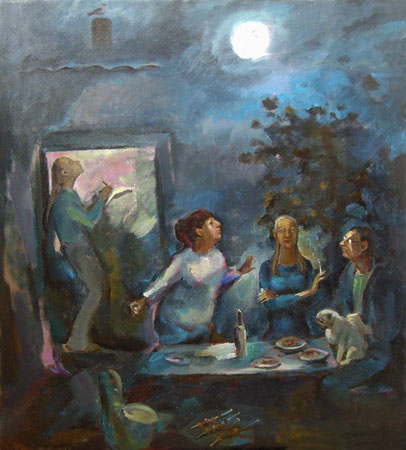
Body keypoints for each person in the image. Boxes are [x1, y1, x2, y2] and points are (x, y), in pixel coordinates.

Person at [130, 209, 254, 345]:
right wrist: (142, 301)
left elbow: (219, 279)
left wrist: (240, 272)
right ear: (199, 231)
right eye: (211, 223)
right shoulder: (183, 260)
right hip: (174, 328)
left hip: (201, 328)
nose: (218, 224)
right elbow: (162, 283)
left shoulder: (218, 257)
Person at [322, 226, 404, 403]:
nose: (342, 244)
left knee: (330, 384)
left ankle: (349, 419)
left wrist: (365, 328)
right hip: (350, 346)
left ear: (364, 246)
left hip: (376, 354)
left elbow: (389, 329)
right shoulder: (349, 273)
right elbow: (338, 306)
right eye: (343, 239)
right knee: (319, 372)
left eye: (348, 241)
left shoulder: (384, 278)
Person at [46, 156, 112, 353]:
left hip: (76, 247)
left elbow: (78, 218)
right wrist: (102, 199)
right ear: (65, 173)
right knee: (95, 292)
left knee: (94, 291)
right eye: (70, 163)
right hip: (78, 248)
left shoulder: (67, 196)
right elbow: (89, 220)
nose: (76, 163)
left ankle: (78, 340)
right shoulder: (65, 198)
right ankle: (77, 342)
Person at [258, 215, 326, 339]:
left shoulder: (306, 266)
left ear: (297, 233)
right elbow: (270, 304)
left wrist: (278, 296)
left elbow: (311, 302)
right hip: (274, 335)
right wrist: (307, 292)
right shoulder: (266, 267)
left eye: (292, 230)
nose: (287, 235)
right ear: (275, 234)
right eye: (281, 230)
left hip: (303, 334)